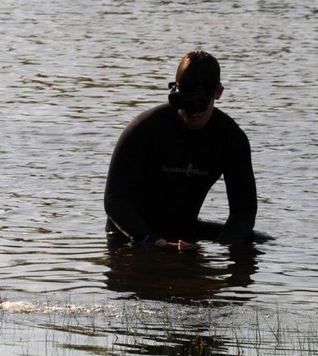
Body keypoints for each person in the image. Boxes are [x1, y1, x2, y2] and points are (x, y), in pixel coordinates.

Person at [104, 50, 258, 249]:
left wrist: (220, 248)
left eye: (199, 104)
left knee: (257, 242)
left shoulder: (231, 139)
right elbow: (114, 200)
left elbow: (244, 213)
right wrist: (151, 240)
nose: (191, 112)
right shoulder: (145, 129)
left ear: (218, 92)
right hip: (132, 233)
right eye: (184, 103)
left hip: (185, 232)